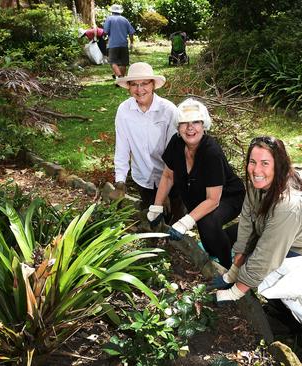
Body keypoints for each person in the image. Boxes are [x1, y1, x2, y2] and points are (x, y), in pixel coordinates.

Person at [211, 136, 302, 303]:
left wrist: (235, 292)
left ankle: (290, 310)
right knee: (250, 251)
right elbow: (246, 222)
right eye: (252, 162)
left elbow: (267, 255)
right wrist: (235, 270)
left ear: (278, 166)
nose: (256, 170)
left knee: (277, 279)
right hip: (295, 237)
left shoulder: (289, 205)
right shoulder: (257, 184)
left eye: (265, 163)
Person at [147, 99, 245, 269]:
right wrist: (156, 207)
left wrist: (185, 222)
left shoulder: (211, 152)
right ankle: (246, 233)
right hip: (202, 197)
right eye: (184, 123)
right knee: (209, 241)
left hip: (228, 196)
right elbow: (168, 176)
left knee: (208, 223)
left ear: (204, 125)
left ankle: (227, 268)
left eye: (195, 122)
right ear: (178, 127)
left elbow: (213, 200)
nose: (190, 127)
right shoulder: (176, 144)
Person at [113, 62, 182, 215]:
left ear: (153, 85)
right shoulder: (124, 111)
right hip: (143, 178)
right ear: (129, 87)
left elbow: (175, 152)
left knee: (175, 223)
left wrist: (164, 190)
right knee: (152, 223)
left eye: (144, 83)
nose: (139, 89)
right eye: (134, 85)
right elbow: (122, 148)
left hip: (172, 178)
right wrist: (120, 181)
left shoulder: (168, 110)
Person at [103, 4, 135, 79]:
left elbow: (105, 31)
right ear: (120, 12)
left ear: (112, 11)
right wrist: (132, 43)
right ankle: (122, 79)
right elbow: (131, 32)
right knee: (123, 63)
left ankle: (120, 77)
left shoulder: (109, 19)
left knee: (113, 62)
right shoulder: (125, 20)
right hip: (124, 44)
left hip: (113, 44)